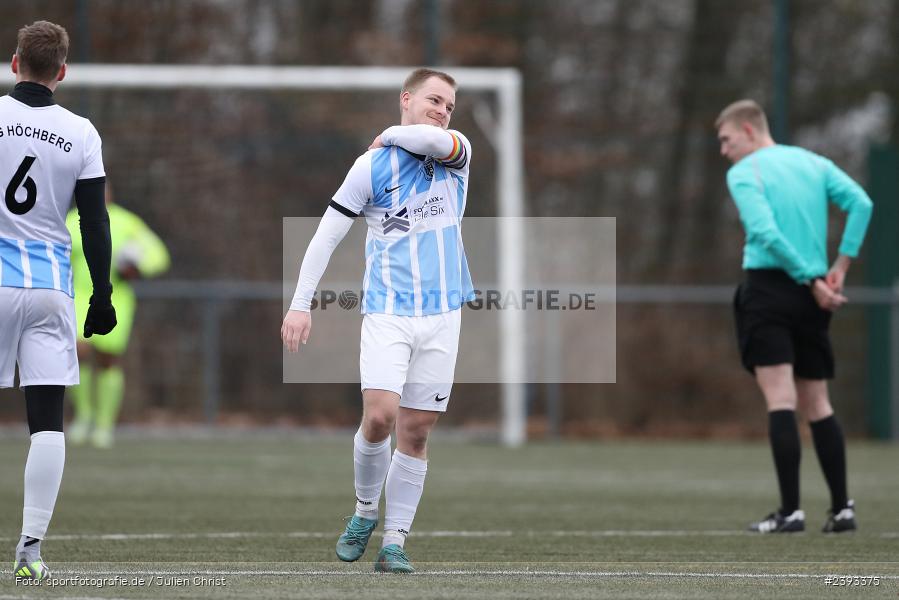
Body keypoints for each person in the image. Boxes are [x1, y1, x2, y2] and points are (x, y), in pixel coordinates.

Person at [281, 68, 473, 573]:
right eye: (434, 99)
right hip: (388, 311)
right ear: (406, 98)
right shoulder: (370, 166)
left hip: (444, 313)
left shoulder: (456, 153)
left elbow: (432, 138)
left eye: (450, 105)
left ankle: (394, 543)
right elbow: (326, 236)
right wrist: (301, 303)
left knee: (417, 431)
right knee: (381, 417)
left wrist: (391, 131)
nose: (443, 110)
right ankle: (366, 511)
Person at [716, 99, 873, 534]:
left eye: (726, 140)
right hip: (813, 298)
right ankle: (842, 509)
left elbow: (764, 231)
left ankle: (791, 512)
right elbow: (862, 203)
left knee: (781, 400)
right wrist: (838, 268)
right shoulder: (813, 162)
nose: (724, 151)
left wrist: (812, 278)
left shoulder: (745, 173)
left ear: (749, 130)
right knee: (818, 402)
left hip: (771, 290)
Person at [0, 21, 116, 579]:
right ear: (62, 72)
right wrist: (103, 293)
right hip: (49, 289)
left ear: (15, 62)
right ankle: (30, 554)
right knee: (47, 424)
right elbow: (95, 222)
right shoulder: (82, 133)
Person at [66, 183, 169, 448]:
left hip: (115, 298)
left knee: (107, 360)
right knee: (78, 352)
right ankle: (84, 416)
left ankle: (104, 424)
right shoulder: (69, 220)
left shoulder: (126, 222)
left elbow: (158, 254)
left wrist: (137, 267)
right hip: (77, 296)